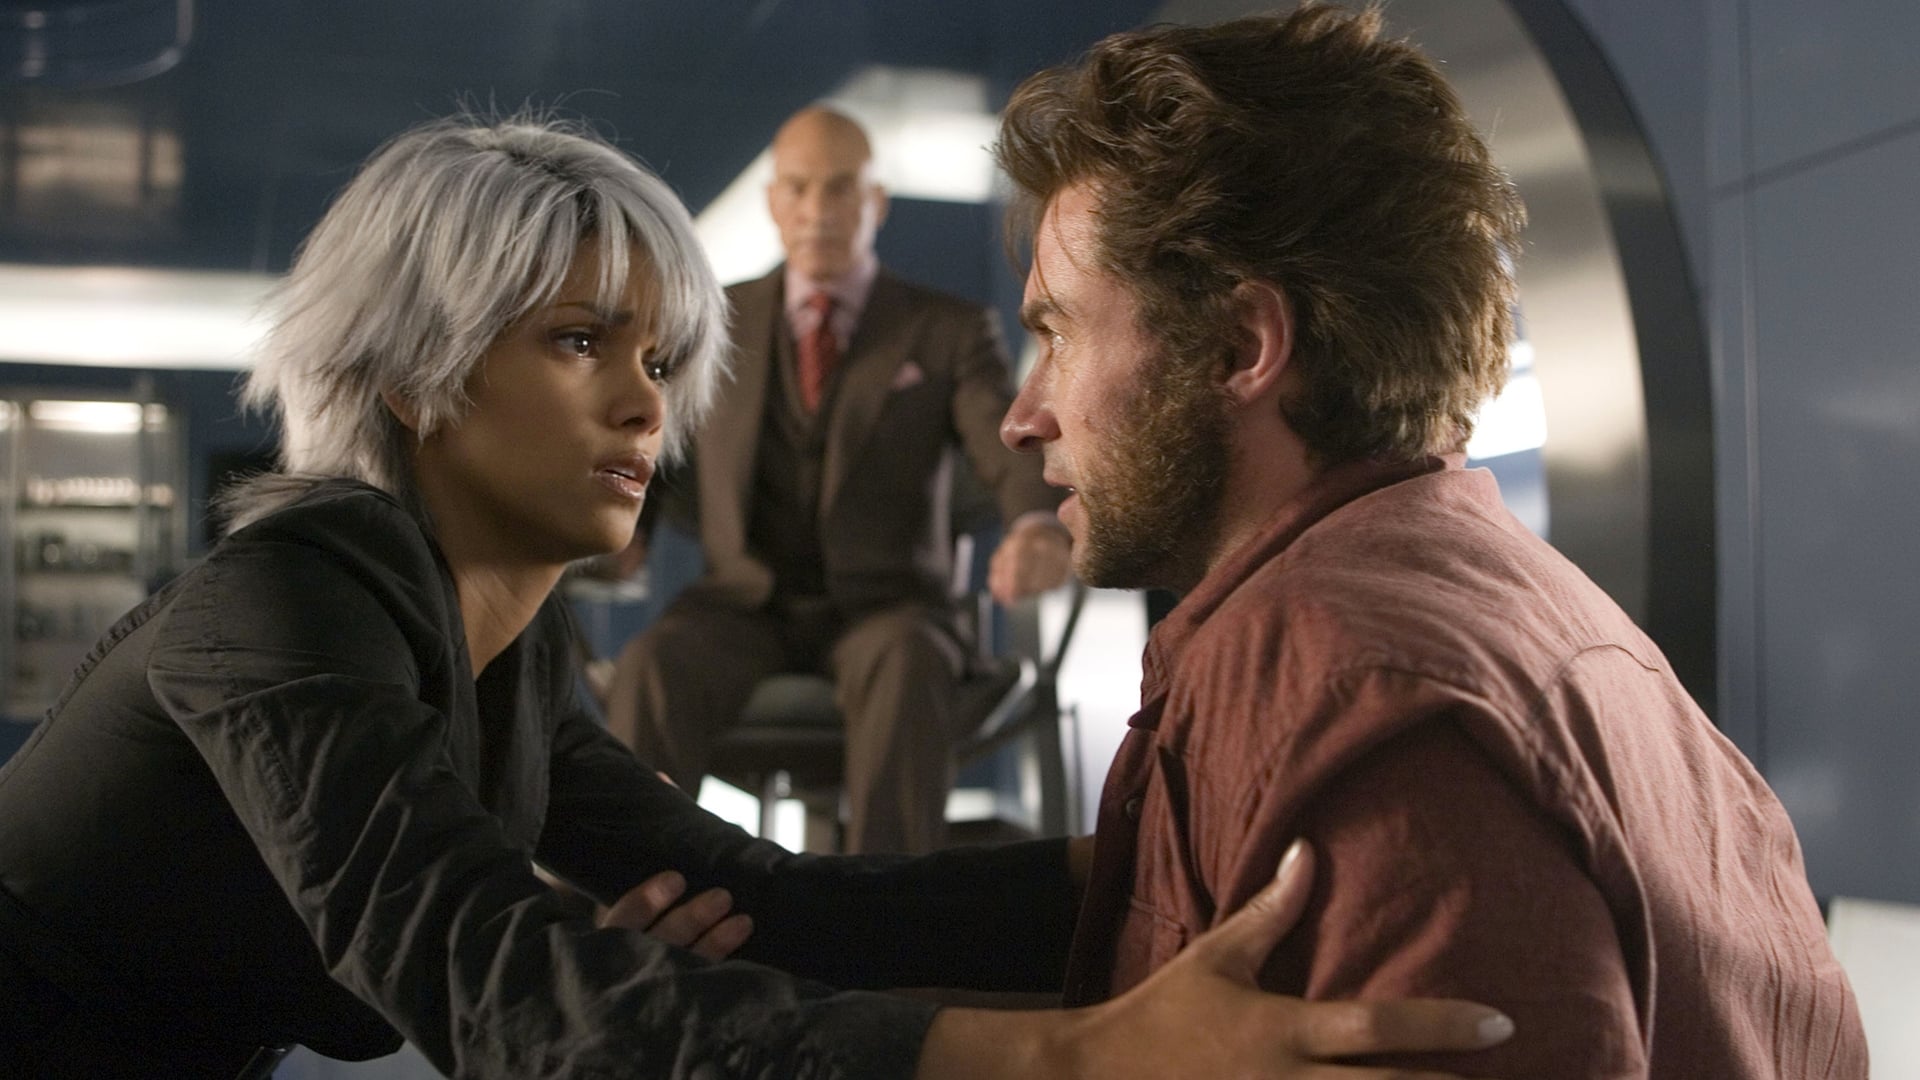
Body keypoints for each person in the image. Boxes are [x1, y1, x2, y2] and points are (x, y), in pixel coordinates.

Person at [0, 113, 1515, 1079]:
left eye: (659, 357)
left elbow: (783, 903)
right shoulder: (290, 595)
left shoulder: (503, 659)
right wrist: (1074, 1060)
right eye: (580, 342)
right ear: (416, 376)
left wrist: (1172, 848)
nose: (643, 402)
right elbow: (493, 983)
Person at [991, 6, 1869, 1078]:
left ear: (1239, 345)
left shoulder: (1333, 680)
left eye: (1058, 334)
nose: (1024, 417)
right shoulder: (1541, 614)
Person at [605, 105, 1071, 854]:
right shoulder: (714, 320)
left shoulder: (947, 329)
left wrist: (1038, 524)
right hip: (743, 606)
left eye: (840, 188)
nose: (817, 210)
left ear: (875, 202)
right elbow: (659, 445)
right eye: (798, 188)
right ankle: (634, 890)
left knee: (906, 661)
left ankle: (880, 912)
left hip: (891, 607)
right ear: (773, 202)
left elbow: (1006, 443)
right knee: (652, 665)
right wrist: (624, 533)